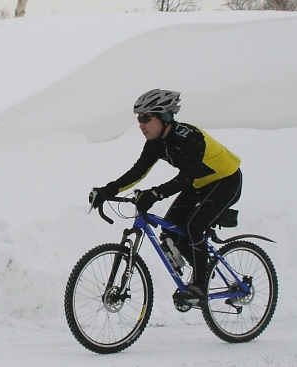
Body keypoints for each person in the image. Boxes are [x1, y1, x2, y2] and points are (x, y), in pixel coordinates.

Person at [90, 89, 242, 305]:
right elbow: (138, 172)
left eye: (146, 118)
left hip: (226, 180)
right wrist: (108, 190)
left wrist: (155, 194)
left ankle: (200, 285)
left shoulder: (190, 137)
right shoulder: (155, 143)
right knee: (171, 226)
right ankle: (205, 270)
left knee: (194, 226)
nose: (140, 125)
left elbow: (186, 177)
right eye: (139, 119)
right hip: (200, 183)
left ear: (164, 118)